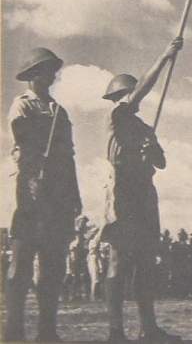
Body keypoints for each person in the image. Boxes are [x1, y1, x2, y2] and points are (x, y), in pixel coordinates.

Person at [100, 37, 182, 344]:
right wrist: (164, 57)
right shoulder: (115, 116)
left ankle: (148, 328)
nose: (135, 98)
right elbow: (142, 90)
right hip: (122, 192)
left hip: (144, 193)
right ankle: (115, 331)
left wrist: (150, 153)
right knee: (119, 259)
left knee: (146, 260)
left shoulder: (144, 127)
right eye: (129, 93)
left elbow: (161, 162)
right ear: (120, 97)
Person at [4, 47, 82, 342]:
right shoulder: (22, 105)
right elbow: (25, 138)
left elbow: (69, 155)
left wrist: (73, 194)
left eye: (53, 69)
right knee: (22, 260)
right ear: (34, 74)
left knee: (53, 262)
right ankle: (13, 331)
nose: (52, 74)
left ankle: (47, 331)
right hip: (30, 186)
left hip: (58, 193)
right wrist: (36, 179)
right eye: (47, 69)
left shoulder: (59, 110)